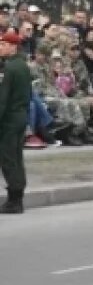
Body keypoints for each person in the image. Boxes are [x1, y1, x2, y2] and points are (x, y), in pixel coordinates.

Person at [0, 29, 33, 214]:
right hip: (20, 115)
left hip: (9, 119)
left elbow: (2, 99)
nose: (0, 47)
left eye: (3, 44)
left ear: (12, 47)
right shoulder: (22, 65)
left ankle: (14, 200)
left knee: (8, 158)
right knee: (17, 158)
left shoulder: (10, 68)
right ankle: (17, 195)